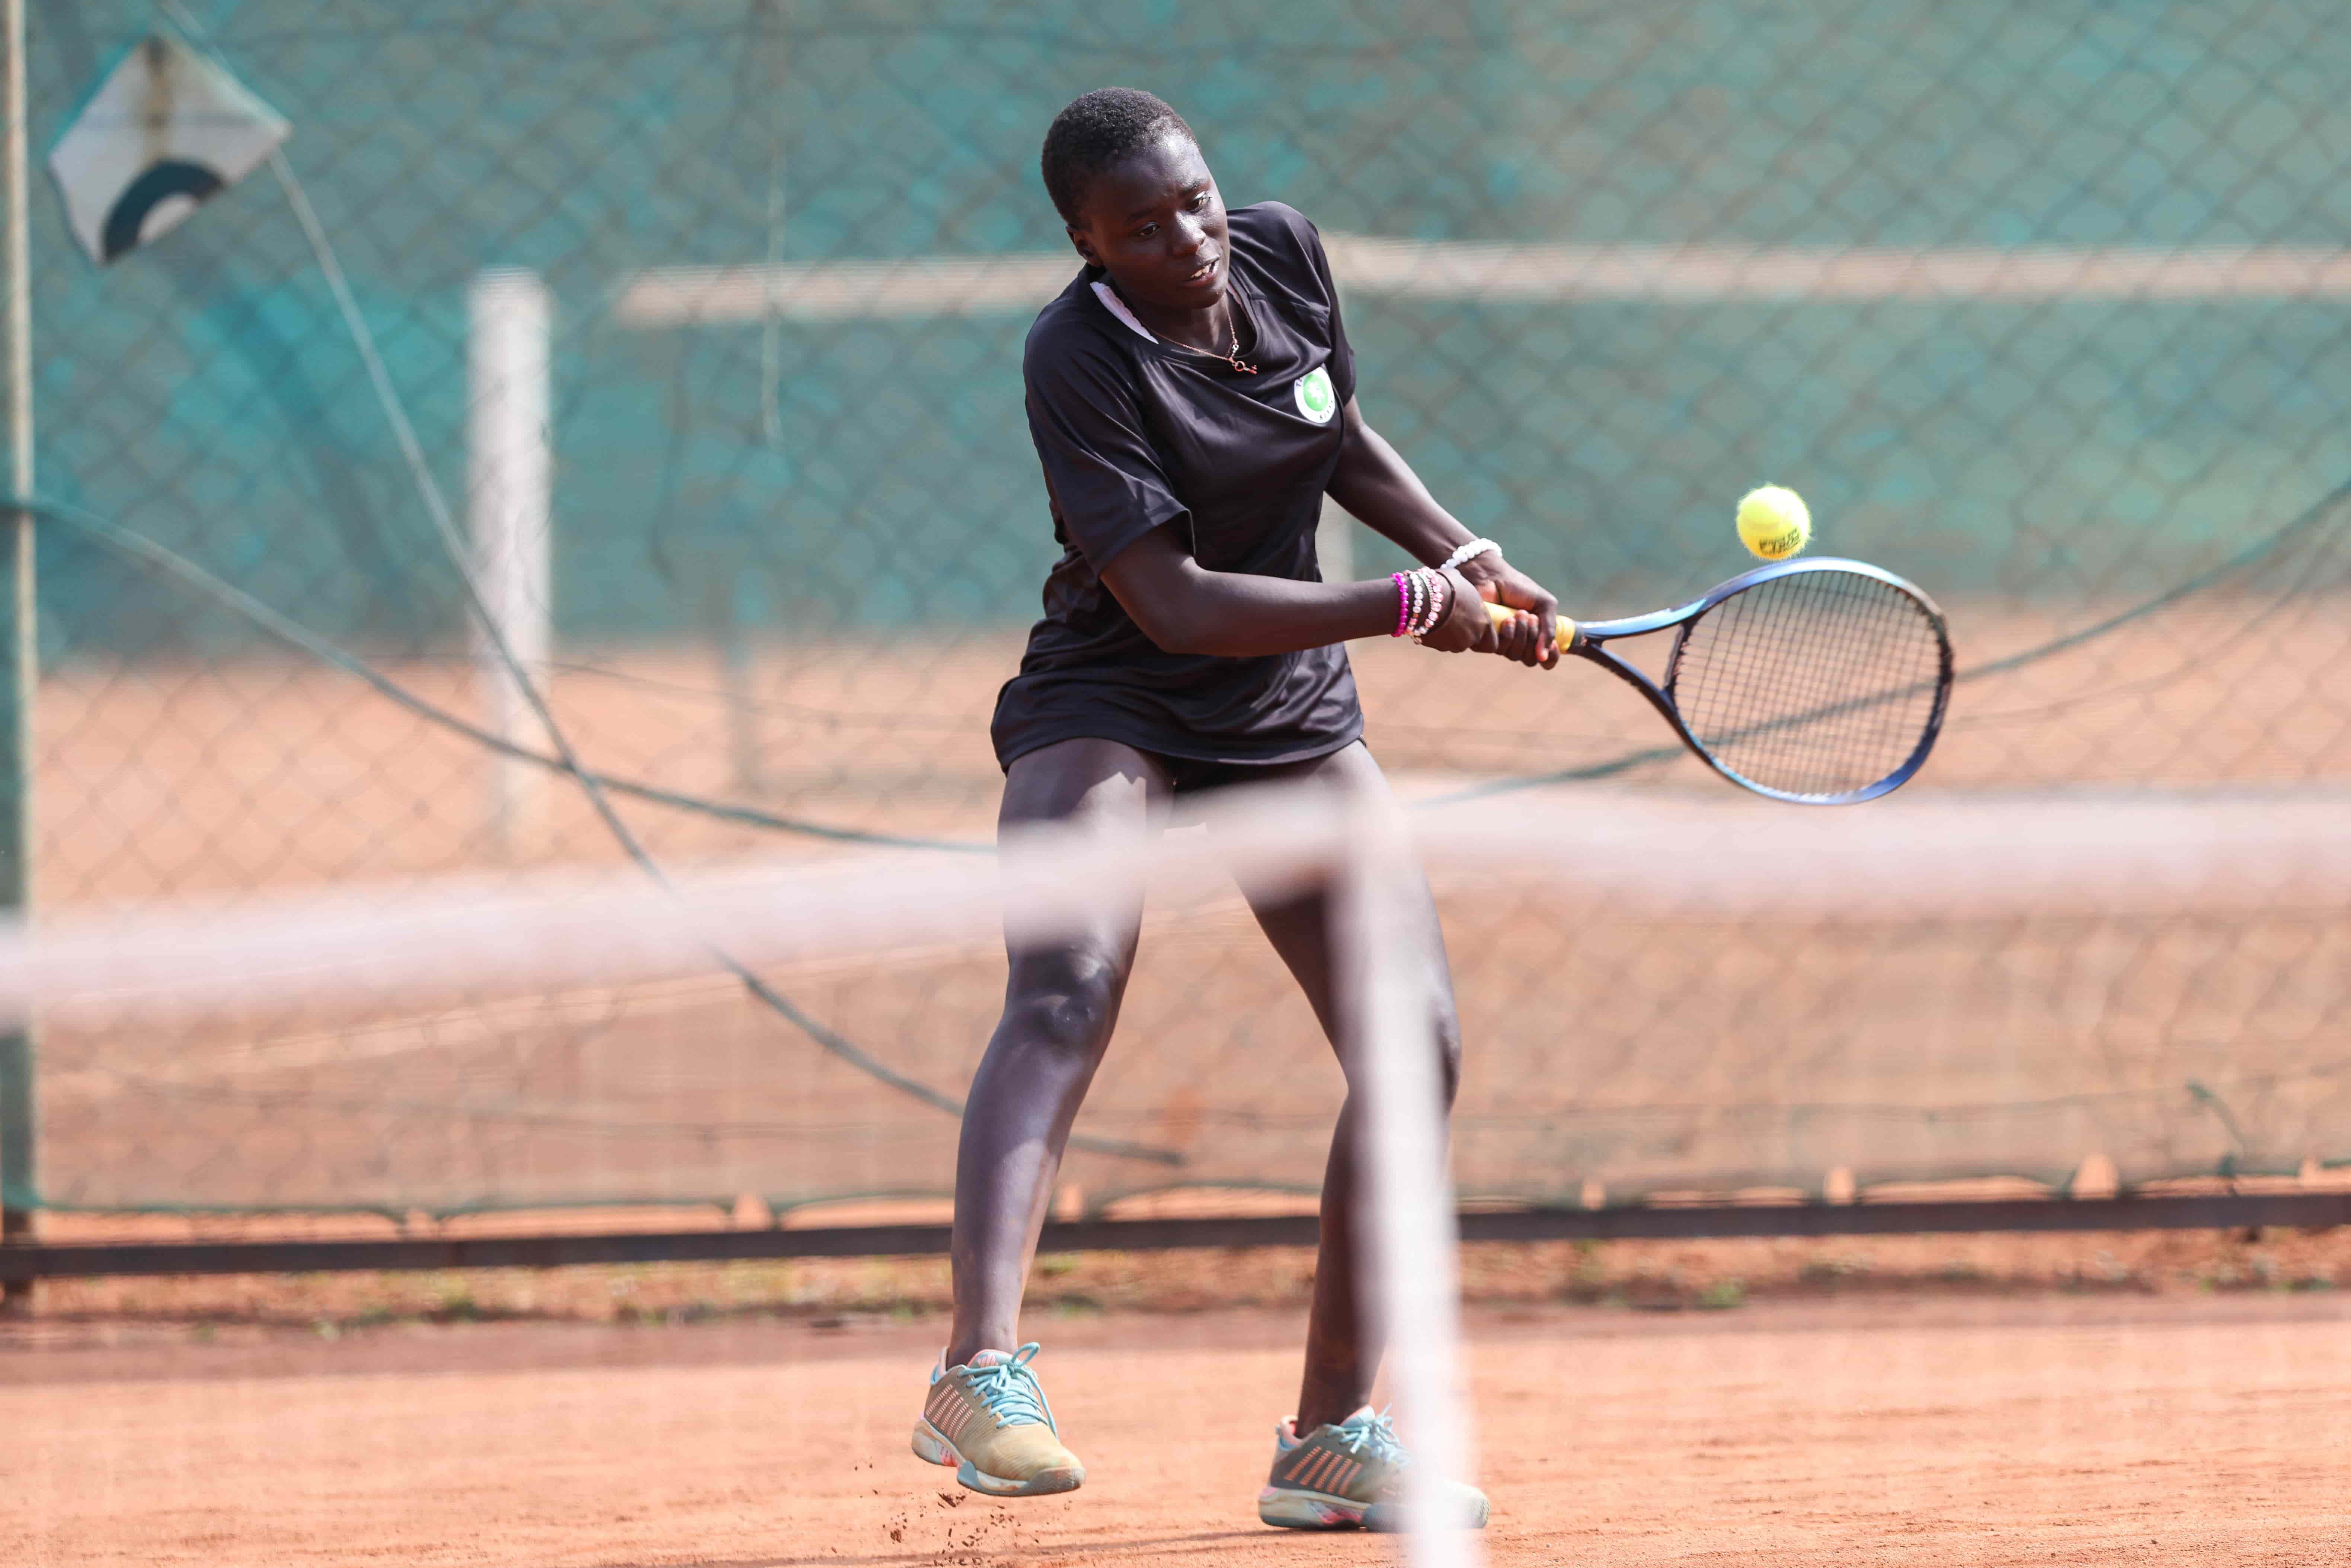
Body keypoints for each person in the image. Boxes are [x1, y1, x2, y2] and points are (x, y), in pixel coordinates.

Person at [909, 87, 1560, 1532]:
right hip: (1114, 696)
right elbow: (1175, 606)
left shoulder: (1280, 254)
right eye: (1138, 227)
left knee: (1415, 1046)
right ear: (1084, 243)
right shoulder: (1074, 353)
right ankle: (978, 1371)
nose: (1187, 238)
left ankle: (1329, 1435)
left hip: (1286, 715)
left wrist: (1467, 552)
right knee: (1067, 980)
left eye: (1194, 201)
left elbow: (1331, 433)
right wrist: (1405, 604)